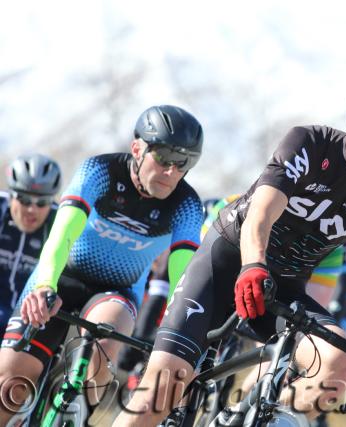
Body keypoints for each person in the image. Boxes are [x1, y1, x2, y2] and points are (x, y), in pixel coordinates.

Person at [116, 65, 346, 426]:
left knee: (337, 368)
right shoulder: (309, 143)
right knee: (160, 394)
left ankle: (242, 419)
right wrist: (252, 265)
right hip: (227, 263)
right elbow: (261, 215)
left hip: (284, 285)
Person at [0, 105, 205, 424]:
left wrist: (183, 331)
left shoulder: (187, 206)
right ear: (137, 148)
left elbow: (184, 276)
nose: (172, 172)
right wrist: (44, 286)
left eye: (185, 163)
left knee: (105, 339)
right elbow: (62, 235)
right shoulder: (100, 171)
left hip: (116, 291)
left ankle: (75, 413)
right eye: (164, 157)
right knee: (9, 381)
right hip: (60, 277)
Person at [0, 154, 62, 334]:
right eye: (24, 199)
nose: (31, 209)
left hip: (30, 317)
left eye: (42, 202)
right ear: (11, 195)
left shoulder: (58, 221)